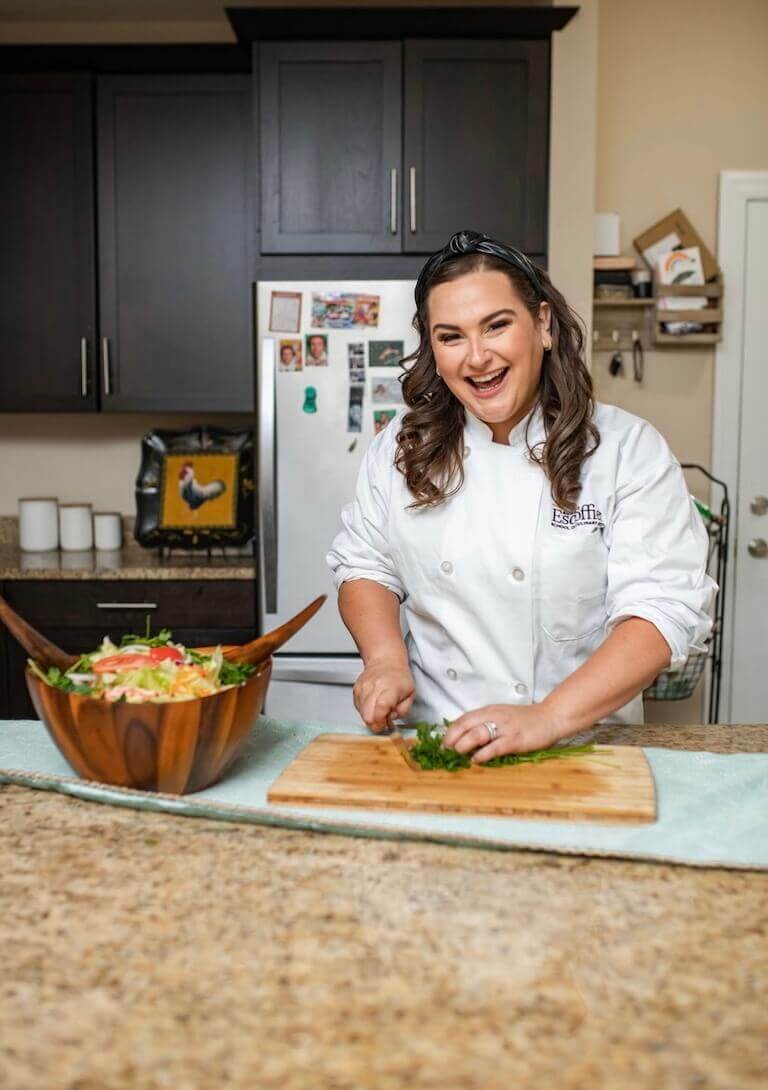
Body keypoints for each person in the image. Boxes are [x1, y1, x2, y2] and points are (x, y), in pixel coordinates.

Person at [326, 230, 716, 763]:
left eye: (497, 326)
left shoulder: (627, 450)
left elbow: (660, 610)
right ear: (432, 350)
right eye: (451, 336)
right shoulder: (400, 446)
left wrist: (548, 718)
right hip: (438, 746)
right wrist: (384, 659)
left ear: (543, 324)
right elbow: (366, 565)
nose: (478, 357)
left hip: (584, 750)